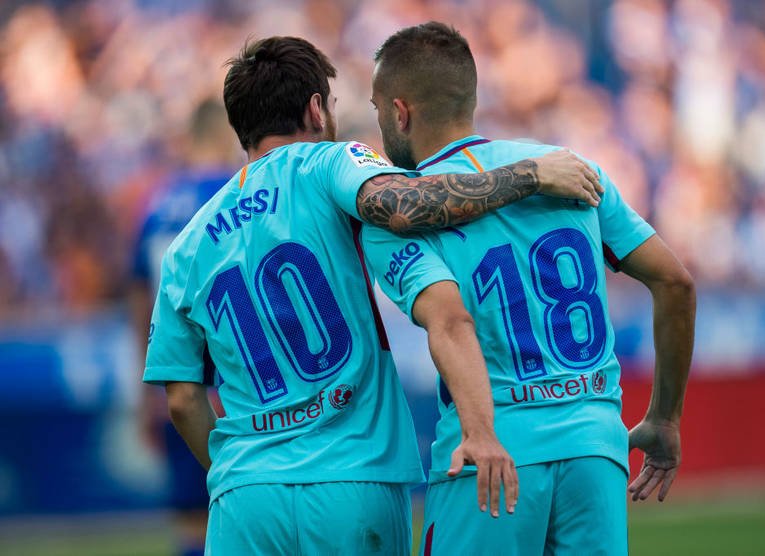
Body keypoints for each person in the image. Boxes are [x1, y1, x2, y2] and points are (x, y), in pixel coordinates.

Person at [142, 36, 603, 555]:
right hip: (353, 478)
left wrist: (241, 474)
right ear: (316, 109)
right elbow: (404, 205)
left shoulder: (186, 244)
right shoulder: (329, 162)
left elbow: (182, 398)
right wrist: (531, 174)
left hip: (246, 495)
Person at [361, 22, 696, 555]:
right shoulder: (573, 172)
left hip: (491, 449)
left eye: (378, 109)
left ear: (400, 112)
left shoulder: (399, 215)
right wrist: (664, 417)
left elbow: (451, 320)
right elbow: (675, 283)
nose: (380, 123)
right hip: (595, 445)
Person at [130, 98, 240, 556]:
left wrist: (145, 391)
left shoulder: (156, 206)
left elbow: (140, 303)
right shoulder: (237, 194)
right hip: (236, 382)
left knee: (193, 523)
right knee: (244, 513)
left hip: (177, 379)